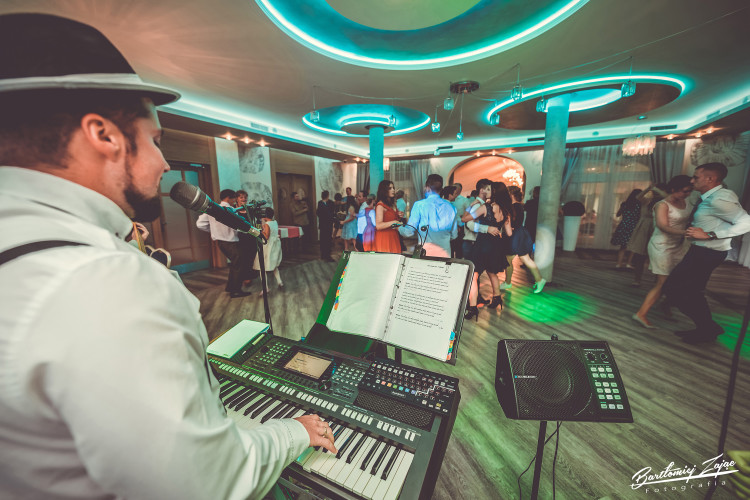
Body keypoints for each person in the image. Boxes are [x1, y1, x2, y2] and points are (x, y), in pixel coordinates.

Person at [0, 13, 334, 500]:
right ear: (104, 135)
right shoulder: (106, 281)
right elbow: (208, 484)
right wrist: (294, 432)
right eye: (156, 141)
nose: (165, 164)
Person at [664, 163, 750, 344]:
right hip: (701, 251)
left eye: (696, 177)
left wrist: (710, 235)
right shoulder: (710, 197)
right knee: (690, 291)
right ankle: (706, 328)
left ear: (710, 179)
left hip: (707, 252)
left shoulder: (720, 199)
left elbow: (746, 222)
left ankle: (708, 327)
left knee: (674, 289)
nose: (692, 180)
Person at [632, 175, 693, 328]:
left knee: (678, 280)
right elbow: (663, 226)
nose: (687, 194)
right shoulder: (662, 205)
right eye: (684, 191)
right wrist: (687, 233)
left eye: (689, 191)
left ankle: (665, 304)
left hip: (679, 245)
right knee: (662, 283)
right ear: (673, 189)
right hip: (662, 246)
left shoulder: (686, 201)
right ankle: (641, 314)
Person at [464, 182, 513, 318]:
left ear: (495, 192)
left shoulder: (485, 207)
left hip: (483, 245)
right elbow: (509, 233)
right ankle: (497, 298)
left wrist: (470, 206)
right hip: (496, 246)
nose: (487, 191)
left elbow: (465, 219)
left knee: (473, 275)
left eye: (490, 189)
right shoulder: (506, 211)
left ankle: (473, 308)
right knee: (492, 273)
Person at [197, 189, 253, 298]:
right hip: (231, 242)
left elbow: (200, 224)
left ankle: (230, 288)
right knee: (239, 266)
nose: (234, 201)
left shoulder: (212, 208)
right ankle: (236, 291)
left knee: (235, 265)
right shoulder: (230, 209)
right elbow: (239, 225)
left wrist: (215, 231)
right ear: (228, 198)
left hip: (221, 243)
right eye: (234, 198)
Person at [399, 174, 457, 257]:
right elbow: (454, 235)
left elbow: (408, 232)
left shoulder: (419, 205)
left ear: (428, 188)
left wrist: (398, 227)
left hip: (426, 253)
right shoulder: (452, 207)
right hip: (445, 253)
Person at [502, 185, 546, 293]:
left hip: (516, 235)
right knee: (518, 259)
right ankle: (508, 282)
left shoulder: (515, 206)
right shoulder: (518, 206)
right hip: (519, 234)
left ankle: (508, 282)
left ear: (511, 194)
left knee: (513, 259)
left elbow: (515, 222)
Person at [626, 185, 666, 286]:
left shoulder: (663, 203)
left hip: (656, 228)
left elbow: (666, 196)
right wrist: (649, 189)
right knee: (640, 255)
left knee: (657, 255)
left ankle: (657, 280)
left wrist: (657, 190)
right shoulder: (647, 201)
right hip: (643, 229)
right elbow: (638, 197)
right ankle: (637, 279)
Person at [462, 179, 494, 307]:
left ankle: (475, 299)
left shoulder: (482, 205)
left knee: (475, 274)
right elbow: (469, 224)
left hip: (475, 242)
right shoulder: (477, 205)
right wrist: (487, 229)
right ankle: (470, 303)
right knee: (472, 274)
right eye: (489, 189)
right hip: (472, 242)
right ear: (482, 190)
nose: (491, 191)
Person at [254, 208, 284, 294]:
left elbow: (266, 236)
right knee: (274, 265)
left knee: (262, 267)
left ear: (264, 216)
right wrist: (261, 227)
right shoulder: (274, 222)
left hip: (267, 246)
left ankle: (265, 287)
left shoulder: (267, 224)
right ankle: (280, 282)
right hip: (274, 245)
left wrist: (259, 230)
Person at [611, 188, 642, 269]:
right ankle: (628, 263)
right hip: (633, 226)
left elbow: (618, 214)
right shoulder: (639, 205)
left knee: (623, 246)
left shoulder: (624, 204)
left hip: (624, 225)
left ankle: (618, 264)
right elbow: (640, 217)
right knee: (633, 246)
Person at [235, 188, 259, 287]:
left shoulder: (250, 209)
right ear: (237, 199)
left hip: (252, 237)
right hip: (240, 238)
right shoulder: (234, 210)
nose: (244, 199)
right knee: (243, 258)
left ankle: (250, 276)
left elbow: (256, 222)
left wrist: (259, 232)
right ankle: (244, 278)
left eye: (245, 197)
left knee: (251, 257)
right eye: (241, 197)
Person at [374, 180, 403, 253]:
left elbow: (393, 220)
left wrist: (399, 216)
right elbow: (378, 226)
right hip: (384, 237)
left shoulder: (392, 204)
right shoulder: (380, 205)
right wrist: (394, 222)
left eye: (393, 188)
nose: (393, 190)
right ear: (384, 190)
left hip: (394, 235)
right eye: (390, 188)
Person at [451, 183, 471, 258]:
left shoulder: (464, 200)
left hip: (460, 226)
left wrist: (463, 216)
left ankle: (458, 261)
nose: (454, 189)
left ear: (460, 190)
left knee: (458, 246)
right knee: (450, 246)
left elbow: (469, 211)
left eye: (455, 188)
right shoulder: (448, 199)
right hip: (450, 226)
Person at [316, 190, 335, 262]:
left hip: (328, 224)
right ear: (327, 196)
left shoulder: (330, 203)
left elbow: (331, 213)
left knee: (328, 240)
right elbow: (318, 213)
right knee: (323, 240)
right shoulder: (320, 203)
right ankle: (324, 255)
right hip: (323, 224)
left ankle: (327, 255)